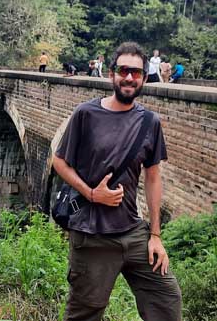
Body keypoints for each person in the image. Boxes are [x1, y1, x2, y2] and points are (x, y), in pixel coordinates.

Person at [52, 41, 182, 321]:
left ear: (144, 78)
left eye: (136, 73)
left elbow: (153, 177)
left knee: (166, 297)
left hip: (132, 231)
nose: (129, 78)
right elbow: (59, 162)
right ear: (112, 74)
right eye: (124, 70)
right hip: (92, 235)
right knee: (86, 311)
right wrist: (90, 194)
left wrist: (156, 236)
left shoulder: (150, 122)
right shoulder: (86, 114)